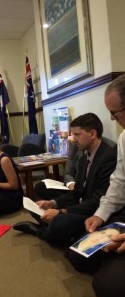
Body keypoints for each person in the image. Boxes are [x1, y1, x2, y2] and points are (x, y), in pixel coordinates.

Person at [13, 113, 117, 245]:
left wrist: (60, 211)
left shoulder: (108, 158)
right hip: (81, 204)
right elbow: (77, 192)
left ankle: (39, 231)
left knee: (59, 222)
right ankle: (51, 226)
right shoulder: (84, 158)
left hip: (94, 212)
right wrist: (52, 203)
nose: (73, 139)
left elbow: (97, 202)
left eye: (77, 134)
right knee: (39, 206)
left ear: (92, 134)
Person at [68, 74, 125, 297]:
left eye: (115, 112)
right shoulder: (123, 139)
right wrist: (101, 215)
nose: (111, 119)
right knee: (78, 254)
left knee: (105, 285)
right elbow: (119, 182)